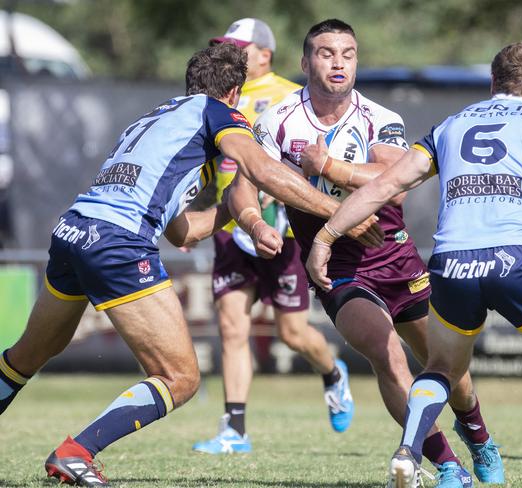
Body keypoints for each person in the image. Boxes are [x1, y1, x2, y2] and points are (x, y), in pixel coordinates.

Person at [0, 43, 382, 487]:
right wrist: (339, 216)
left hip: (75, 230)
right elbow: (260, 169)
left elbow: (184, 232)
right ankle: (76, 453)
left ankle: (68, 445)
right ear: (235, 93)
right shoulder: (216, 112)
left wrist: (229, 207)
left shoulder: (156, 120)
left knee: (26, 357)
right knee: (180, 378)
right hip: (117, 243)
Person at [304, 41, 522, 487]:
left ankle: (409, 450)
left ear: (492, 83)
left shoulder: (450, 124)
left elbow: (383, 187)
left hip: (451, 263)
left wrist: (326, 238)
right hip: (518, 260)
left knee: (440, 370)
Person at [230, 19, 504, 487]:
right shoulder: (277, 120)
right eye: (325, 52)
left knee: (449, 367)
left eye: (348, 54)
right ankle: (448, 465)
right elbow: (242, 187)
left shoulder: (379, 117)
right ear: (304, 62)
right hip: (336, 266)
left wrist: (328, 167)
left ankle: (478, 438)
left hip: (395, 257)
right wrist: (255, 223)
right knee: (387, 355)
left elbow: (395, 186)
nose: (338, 62)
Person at [191, 18, 354, 457]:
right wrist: (191, 219)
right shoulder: (218, 98)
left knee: (292, 333)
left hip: (283, 226)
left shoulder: (290, 95)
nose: (230, 53)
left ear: (265, 54)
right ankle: (235, 430)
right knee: (231, 327)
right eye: (225, 46)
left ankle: (332, 373)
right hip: (233, 223)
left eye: (238, 47)